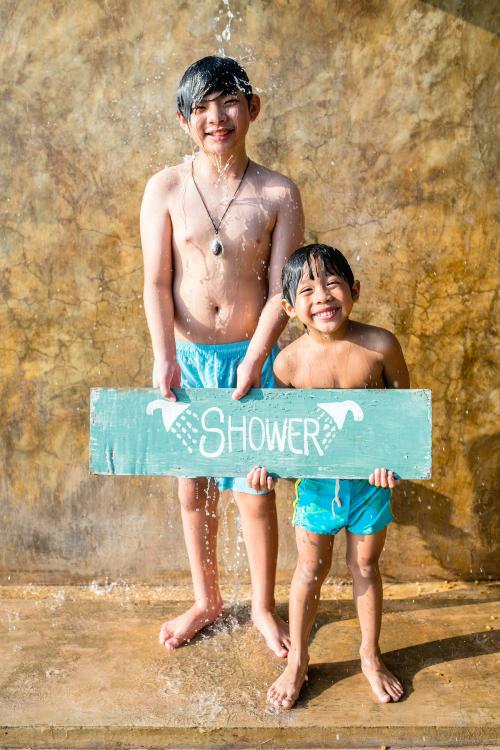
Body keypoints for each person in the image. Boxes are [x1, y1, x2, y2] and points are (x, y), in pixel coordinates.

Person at [140, 55, 304, 656]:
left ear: (252, 108)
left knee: (254, 489)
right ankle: (207, 598)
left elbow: (283, 290)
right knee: (193, 487)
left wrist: (258, 354)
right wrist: (164, 356)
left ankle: (261, 605)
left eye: (229, 102)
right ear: (185, 121)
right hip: (187, 359)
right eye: (202, 108)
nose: (217, 117)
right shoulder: (166, 188)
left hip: (249, 358)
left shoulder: (277, 192)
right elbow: (157, 283)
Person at [247, 243, 409, 707]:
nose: (322, 295)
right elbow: (278, 434)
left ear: (354, 290)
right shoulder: (287, 364)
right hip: (316, 489)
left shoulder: (380, 345)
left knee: (364, 566)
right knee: (310, 570)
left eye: (333, 282)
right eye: (307, 289)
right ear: (288, 307)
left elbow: (405, 413)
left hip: (369, 485)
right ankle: (298, 659)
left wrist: (391, 458)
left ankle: (369, 655)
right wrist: (267, 468)